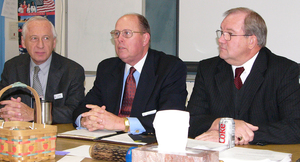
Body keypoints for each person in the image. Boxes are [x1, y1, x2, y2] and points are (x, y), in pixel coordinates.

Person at [187, 7, 300, 145]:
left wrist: (234, 135)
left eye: (229, 34)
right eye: (221, 32)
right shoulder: (208, 69)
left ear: (251, 41)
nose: (221, 40)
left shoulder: (283, 71)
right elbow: (191, 121)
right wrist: (220, 124)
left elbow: (295, 127)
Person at [73, 13, 187, 134]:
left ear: (145, 39)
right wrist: (85, 120)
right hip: (108, 141)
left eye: (127, 33)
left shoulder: (169, 67)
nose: (119, 39)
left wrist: (121, 123)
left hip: (146, 144)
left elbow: (171, 118)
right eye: (116, 34)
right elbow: (83, 107)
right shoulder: (107, 68)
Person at [0, 16, 85, 124]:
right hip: (20, 134)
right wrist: (9, 110)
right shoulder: (12, 67)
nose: (40, 45)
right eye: (34, 38)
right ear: (23, 42)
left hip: (55, 135)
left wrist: (34, 113)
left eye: (46, 38)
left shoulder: (72, 71)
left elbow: (75, 111)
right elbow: (2, 103)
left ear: (54, 42)